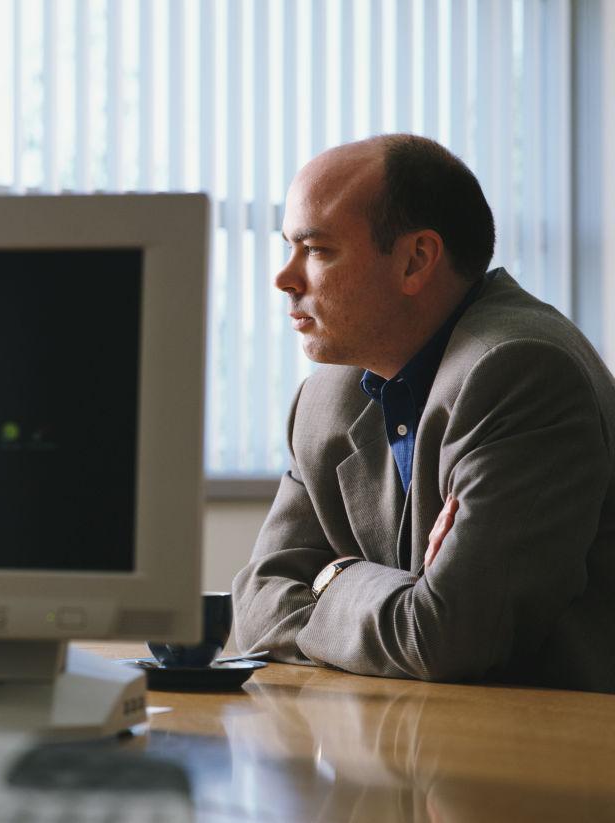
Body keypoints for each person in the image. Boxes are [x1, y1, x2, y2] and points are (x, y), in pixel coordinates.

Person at [232, 134, 615, 693]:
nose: (285, 278)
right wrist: (407, 595)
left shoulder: (520, 371)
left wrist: (332, 577)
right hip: (404, 743)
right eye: (289, 246)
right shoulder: (323, 399)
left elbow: (446, 639)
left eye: (315, 250)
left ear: (415, 260)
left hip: (541, 756)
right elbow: (255, 608)